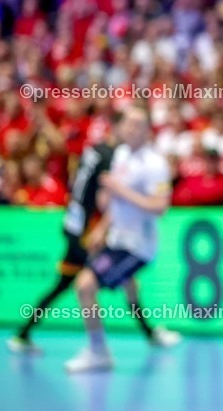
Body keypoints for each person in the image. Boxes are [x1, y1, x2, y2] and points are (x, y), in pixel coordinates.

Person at [8, 125, 180, 355]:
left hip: (73, 222)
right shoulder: (114, 157)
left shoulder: (92, 151)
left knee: (113, 283)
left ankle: (24, 333)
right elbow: (104, 197)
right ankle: (105, 346)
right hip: (85, 231)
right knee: (88, 284)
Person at [64, 105, 174, 373]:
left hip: (138, 246)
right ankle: (151, 333)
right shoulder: (121, 154)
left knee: (85, 286)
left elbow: (160, 206)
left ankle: (98, 351)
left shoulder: (155, 163)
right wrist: (102, 227)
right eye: (129, 123)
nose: (132, 129)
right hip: (116, 239)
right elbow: (113, 202)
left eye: (139, 124)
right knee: (130, 287)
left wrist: (119, 190)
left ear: (148, 130)